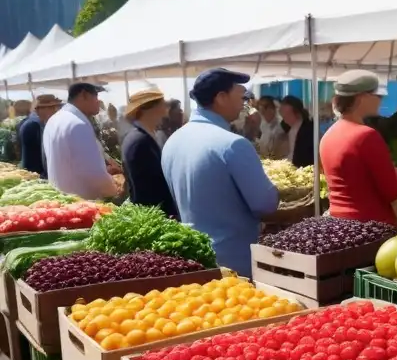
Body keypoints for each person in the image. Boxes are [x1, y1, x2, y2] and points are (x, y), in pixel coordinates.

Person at [162, 68, 279, 276]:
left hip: (192, 257)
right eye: (240, 95)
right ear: (221, 97)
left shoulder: (173, 141)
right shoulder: (233, 144)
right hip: (235, 263)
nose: (244, 101)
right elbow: (266, 203)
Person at [320, 70, 397, 226]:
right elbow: (392, 192)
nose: (380, 100)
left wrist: (395, 172)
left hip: (337, 224)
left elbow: (354, 175)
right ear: (362, 98)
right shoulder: (366, 136)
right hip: (370, 228)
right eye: (377, 95)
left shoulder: (328, 135)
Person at [42, 82, 118, 200]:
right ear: (84, 95)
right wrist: (113, 191)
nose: (98, 102)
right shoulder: (77, 124)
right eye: (96, 97)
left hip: (61, 197)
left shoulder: (55, 119)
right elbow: (92, 172)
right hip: (82, 200)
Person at [121, 88, 180, 219]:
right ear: (149, 108)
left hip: (150, 215)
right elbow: (147, 188)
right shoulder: (139, 141)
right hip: (151, 216)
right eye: (162, 105)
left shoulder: (141, 137)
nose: (165, 110)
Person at [19, 94, 61, 177]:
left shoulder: (31, 121)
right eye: (53, 108)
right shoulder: (34, 125)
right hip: (36, 173)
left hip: (34, 172)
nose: (56, 111)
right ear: (42, 109)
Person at [279, 96, 315, 168]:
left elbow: (305, 156)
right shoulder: (286, 126)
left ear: (297, 113)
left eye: (287, 115)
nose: (285, 119)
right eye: (283, 116)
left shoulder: (308, 130)